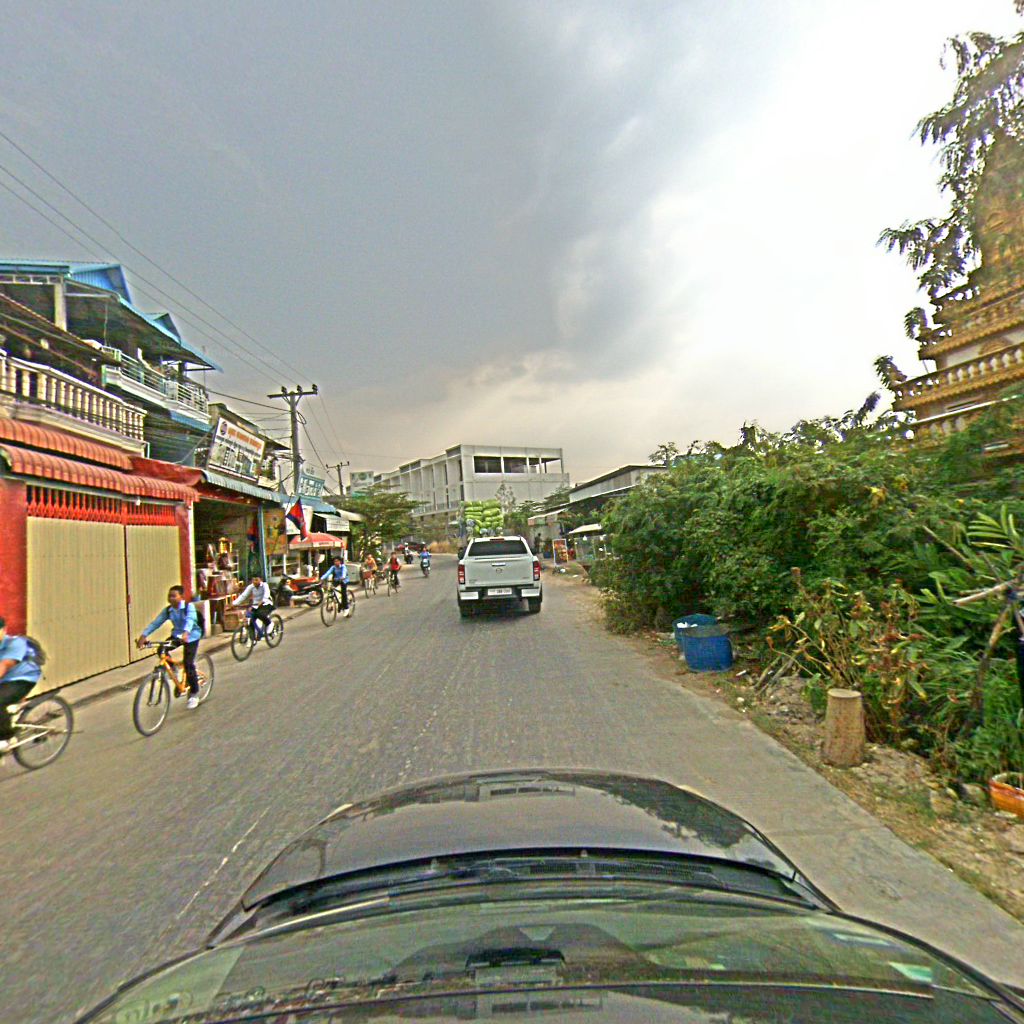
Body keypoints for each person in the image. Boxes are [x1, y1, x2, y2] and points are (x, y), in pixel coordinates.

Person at [137, 586, 203, 709]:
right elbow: (156, 623)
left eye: (174, 596)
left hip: (191, 636)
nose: (171, 598)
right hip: (177, 635)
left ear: (181, 597)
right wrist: (144, 635)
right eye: (169, 596)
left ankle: (194, 694)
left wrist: (186, 632)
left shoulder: (189, 607)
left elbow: (190, 620)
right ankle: (173, 669)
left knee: (188, 663)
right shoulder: (168, 610)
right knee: (161, 649)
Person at [0, 616, 44, 751]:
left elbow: (4, 665)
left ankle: (5, 738)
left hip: (22, 679)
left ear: (4, 630)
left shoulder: (15, 643)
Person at [233, 572, 275, 639]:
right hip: (256, 605)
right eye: (253, 580)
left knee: (260, 614)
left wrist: (262, 601)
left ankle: (270, 624)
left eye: (256, 580)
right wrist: (234, 603)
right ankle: (253, 637)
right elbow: (243, 596)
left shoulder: (264, 585)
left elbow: (266, 594)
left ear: (260, 580)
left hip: (266, 603)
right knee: (250, 617)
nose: (254, 582)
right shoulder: (251, 587)